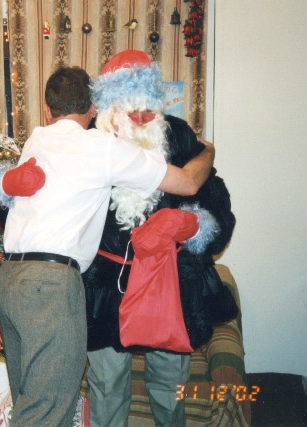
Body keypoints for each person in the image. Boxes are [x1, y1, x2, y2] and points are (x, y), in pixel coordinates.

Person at [0, 66, 215, 426]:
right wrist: (208, 152)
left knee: (29, 400)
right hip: (51, 283)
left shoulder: (36, 139)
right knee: (47, 411)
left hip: (10, 279)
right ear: (94, 108)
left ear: (47, 110)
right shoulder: (102, 148)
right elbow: (188, 183)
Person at [82, 50, 237, 426]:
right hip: (106, 287)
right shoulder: (88, 145)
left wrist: (195, 225)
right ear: (109, 109)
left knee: (170, 386)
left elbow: (213, 195)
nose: (139, 119)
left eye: (146, 109)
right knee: (107, 386)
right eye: (129, 109)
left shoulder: (178, 136)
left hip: (170, 282)